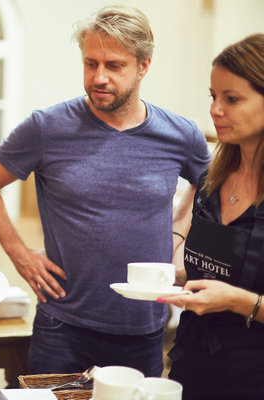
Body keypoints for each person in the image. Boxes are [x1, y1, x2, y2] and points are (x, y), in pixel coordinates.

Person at [0, 5, 211, 377]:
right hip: (62, 325)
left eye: (114, 66)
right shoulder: (46, 128)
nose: (99, 77)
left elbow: (207, 187)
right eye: (90, 63)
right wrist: (19, 254)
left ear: (143, 65)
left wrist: (176, 235)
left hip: (143, 329)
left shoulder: (181, 135)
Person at [161, 33, 264, 400]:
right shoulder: (210, 180)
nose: (215, 110)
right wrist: (170, 278)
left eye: (232, 99)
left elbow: (234, 287)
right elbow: (216, 269)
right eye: (213, 96)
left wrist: (236, 300)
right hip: (194, 368)